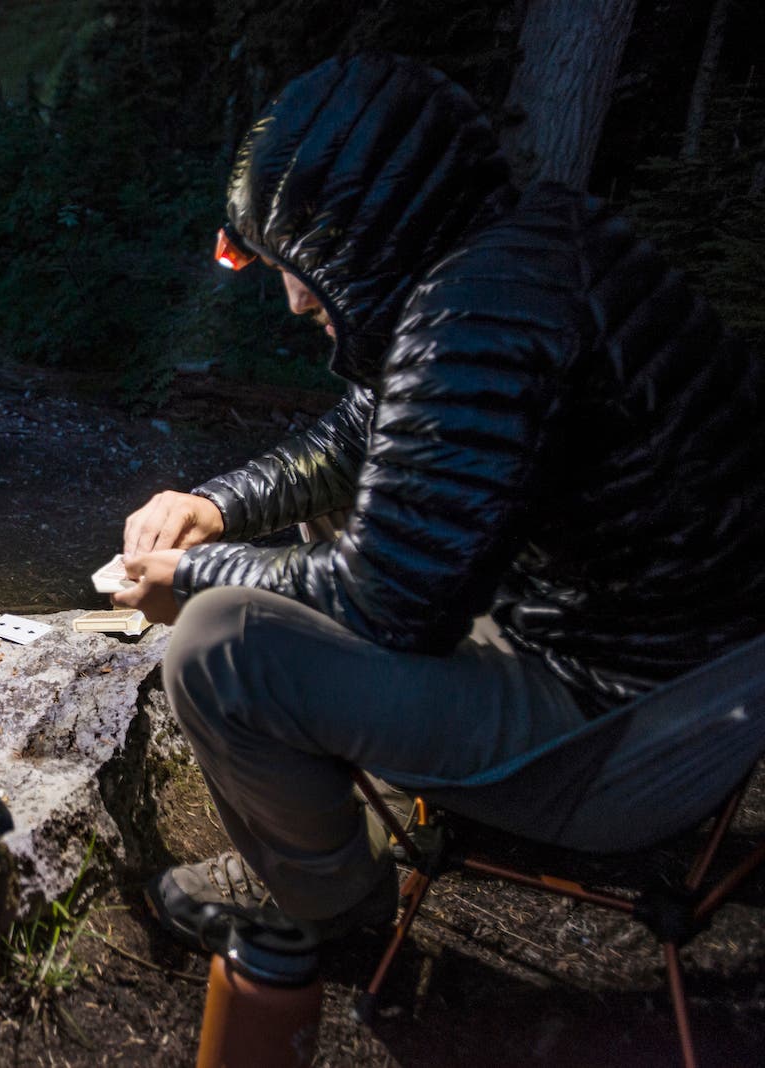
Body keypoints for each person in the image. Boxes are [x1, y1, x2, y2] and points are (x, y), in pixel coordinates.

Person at [113, 53, 765, 952]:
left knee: (218, 649)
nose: (294, 296)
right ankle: (364, 816)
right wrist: (216, 505)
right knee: (336, 515)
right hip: (662, 663)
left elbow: (385, 603)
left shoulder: (483, 315)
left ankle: (330, 907)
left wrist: (191, 573)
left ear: (359, 230)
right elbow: (356, 441)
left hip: (622, 731)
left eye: (292, 260)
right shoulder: (514, 258)